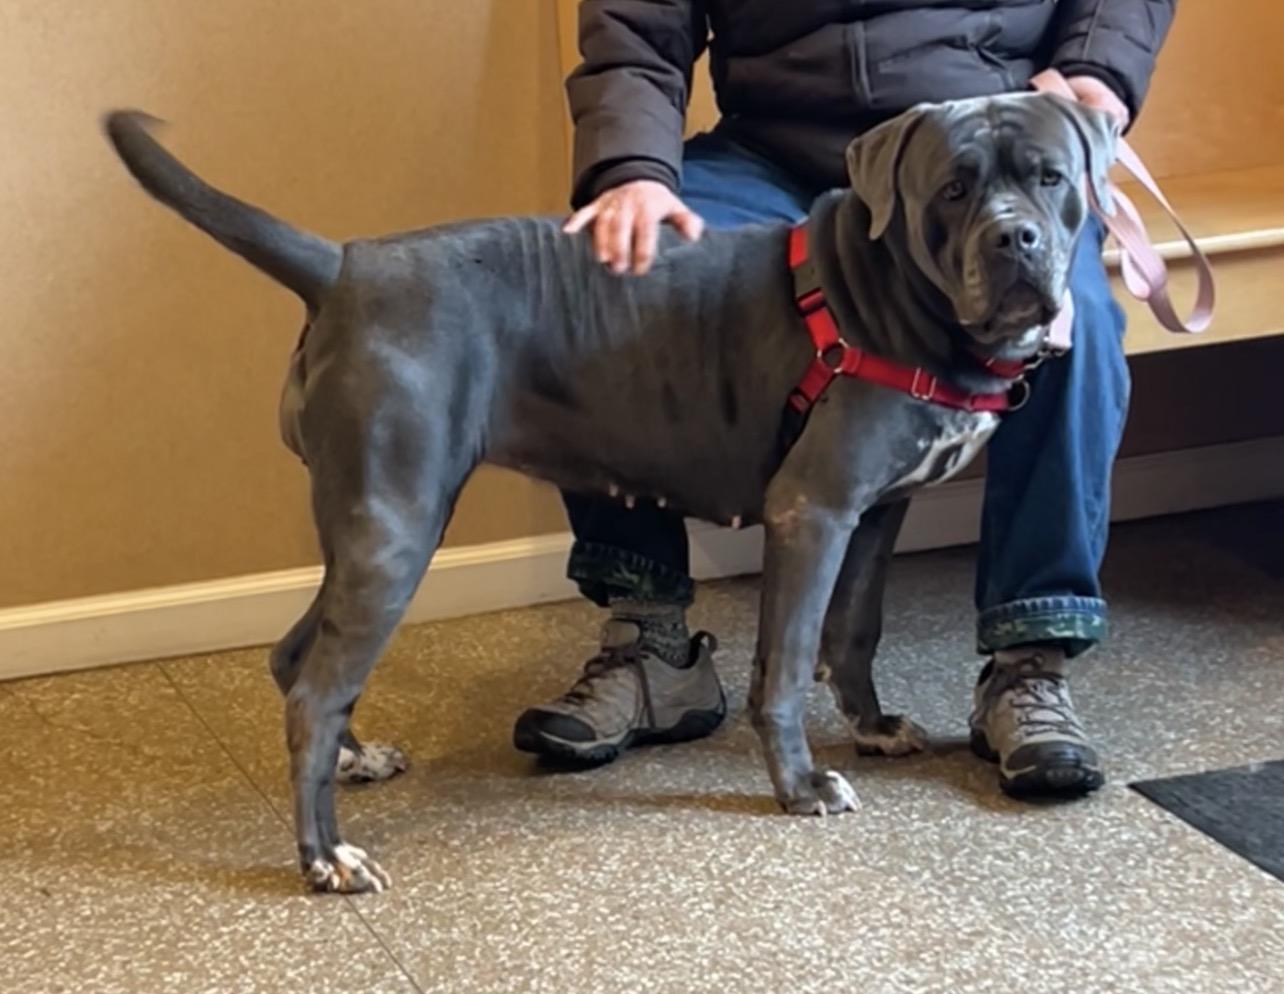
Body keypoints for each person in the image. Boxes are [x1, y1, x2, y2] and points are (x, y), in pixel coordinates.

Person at [513, 0, 1176, 798]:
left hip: (980, 146)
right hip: (768, 149)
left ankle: (1027, 662)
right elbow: (636, 28)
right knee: (614, 283)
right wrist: (629, 171)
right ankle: (651, 642)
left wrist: (1096, 74)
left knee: (1082, 327)